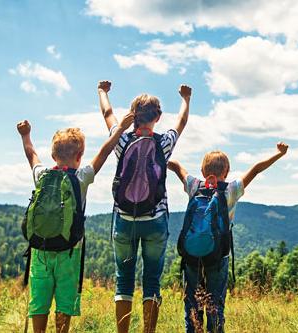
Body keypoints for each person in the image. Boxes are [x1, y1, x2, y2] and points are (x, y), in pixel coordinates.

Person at [16, 109, 133, 333]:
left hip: (40, 250)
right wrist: (121, 129)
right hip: (70, 251)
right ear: (79, 157)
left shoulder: (42, 175)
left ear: (53, 156)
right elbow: (105, 151)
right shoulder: (81, 177)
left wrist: (25, 135)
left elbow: (31, 155)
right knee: (64, 301)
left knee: (39, 300)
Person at [97, 80, 192, 333]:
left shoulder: (121, 140)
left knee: (123, 281)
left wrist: (103, 92)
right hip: (155, 220)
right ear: (157, 117)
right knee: (152, 281)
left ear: (133, 115)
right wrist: (186, 98)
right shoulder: (164, 143)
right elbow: (181, 123)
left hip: (124, 219)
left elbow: (107, 114)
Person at [168, 142, 289, 332]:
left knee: (192, 304)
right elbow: (256, 169)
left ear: (202, 170)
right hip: (218, 257)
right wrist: (279, 154)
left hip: (191, 256)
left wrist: (159, 153)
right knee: (215, 305)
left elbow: (176, 166)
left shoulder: (193, 186)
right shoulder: (231, 190)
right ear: (227, 170)